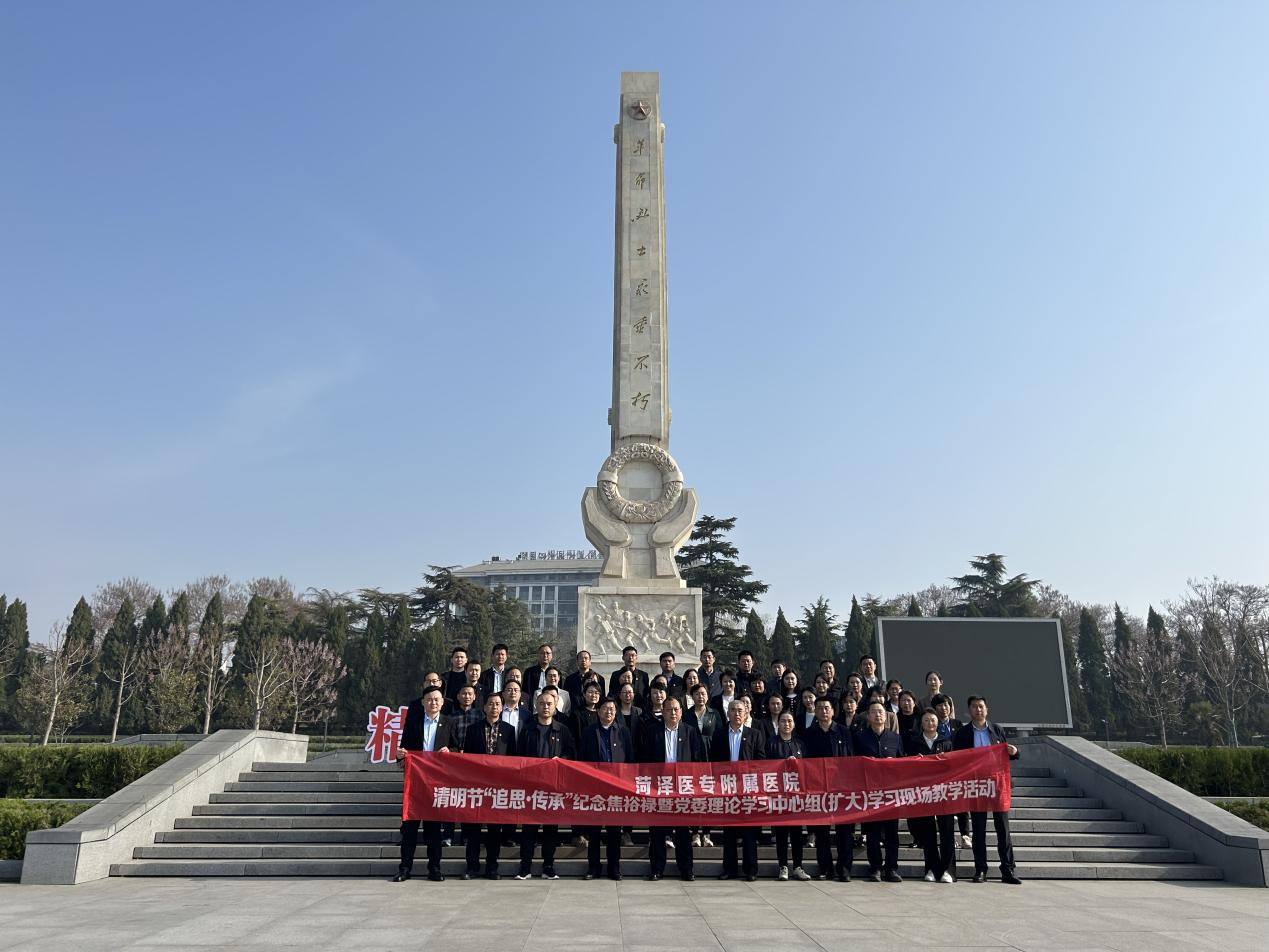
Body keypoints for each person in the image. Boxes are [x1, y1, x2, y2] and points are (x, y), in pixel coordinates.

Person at [954, 696, 1022, 885]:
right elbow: (957, 758)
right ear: (969, 711)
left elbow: (1009, 754)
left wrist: (1014, 752)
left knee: (1003, 830)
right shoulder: (963, 733)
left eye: (981, 706)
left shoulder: (997, 730)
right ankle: (981, 869)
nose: (978, 710)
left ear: (987, 709)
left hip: (997, 784)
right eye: (974, 707)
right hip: (976, 786)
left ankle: (1008, 869)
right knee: (979, 829)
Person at [392, 685, 453, 883]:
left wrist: (450, 752)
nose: (433, 702)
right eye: (429, 699)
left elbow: (459, 749)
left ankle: (434, 869)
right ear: (422, 703)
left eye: (437, 699)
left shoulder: (449, 723)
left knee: (434, 831)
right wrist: (399, 755)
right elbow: (402, 752)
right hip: (416, 783)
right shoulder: (413, 723)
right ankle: (404, 869)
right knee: (409, 830)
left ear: (442, 703)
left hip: (437, 784)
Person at [515, 688, 576, 880]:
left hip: (553, 787)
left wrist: (561, 759)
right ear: (536, 706)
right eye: (542, 703)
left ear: (555, 707)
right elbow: (519, 756)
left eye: (549, 704)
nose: (545, 707)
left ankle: (548, 866)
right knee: (528, 830)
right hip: (531, 786)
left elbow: (571, 753)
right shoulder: (527, 729)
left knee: (551, 829)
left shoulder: (562, 730)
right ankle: (525, 867)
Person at [643, 697, 704, 881]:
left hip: (682, 787)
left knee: (683, 831)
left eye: (676, 709)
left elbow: (698, 759)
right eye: (669, 709)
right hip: (659, 787)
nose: (673, 713)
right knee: (657, 831)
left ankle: (686, 869)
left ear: (681, 711)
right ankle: (657, 869)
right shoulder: (652, 731)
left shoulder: (690, 731)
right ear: (662, 710)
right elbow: (645, 760)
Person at [461, 692, 516, 880]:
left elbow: (513, 759)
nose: (494, 707)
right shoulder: (473, 729)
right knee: (474, 830)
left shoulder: (509, 730)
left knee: (494, 830)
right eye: (490, 704)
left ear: (502, 707)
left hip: (499, 787)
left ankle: (492, 867)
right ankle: (472, 866)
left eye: (498, 704)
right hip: (477, 786)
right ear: (484, 707)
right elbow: (467, 759)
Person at [579, 698, 634, 880]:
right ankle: (593, 867)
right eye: (605, 708)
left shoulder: (623, 732)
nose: (609, 712)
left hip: (616, 788)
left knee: (613, 832)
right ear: (598, 711)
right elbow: (582, 757)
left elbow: (630, 759)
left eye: (612, 709)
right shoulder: (589, 732)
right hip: (594, 787)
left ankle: (614, 867)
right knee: (594, 832)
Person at [709, 699, 762, 881]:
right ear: (728, 713)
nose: (736, 713)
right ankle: (729, 869)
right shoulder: (719, 734)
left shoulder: (754, 734)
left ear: (746, 713)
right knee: (729, 832)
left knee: (749, 833)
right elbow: (714, 761)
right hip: (727, 788)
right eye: (733, 710)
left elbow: (761, 761)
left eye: (740, 710)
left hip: (748, 789)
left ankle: (751, 870)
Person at [803, 696, 853, 881]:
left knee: (844, 832)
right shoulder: (808, 734)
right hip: (818, 789)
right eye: (820, 708)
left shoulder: (844, 732)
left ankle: (844, 869)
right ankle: (825, 868)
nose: (824, 711)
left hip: (842, 788)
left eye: (827, 708)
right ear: (815, 711)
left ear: (833, 711)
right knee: (821, 832)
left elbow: (851, 758)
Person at [854, 699, 904, 882]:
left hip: (891, 793)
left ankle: (891, 868)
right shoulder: (860, 737)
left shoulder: (895, 737)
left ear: (887, 716)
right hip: (871, 792)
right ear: (868, 716)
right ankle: (875, 867)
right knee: (873, 833)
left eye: (880, 712)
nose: (877, 715)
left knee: (892, 834)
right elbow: (855, 763)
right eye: (873, 712)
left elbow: (903, 762)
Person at [905, 709, 956, 883]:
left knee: (947, 831)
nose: (930, 723)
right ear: (922, 723)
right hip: (924, 793)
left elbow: (954, 767)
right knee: (928, 833)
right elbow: (908, 768)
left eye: (933, 720)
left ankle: (948, 870)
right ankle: (931, 869)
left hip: (944, 793)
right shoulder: (914, 743)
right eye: (926, 720)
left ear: (938, 723)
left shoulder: (946, 743)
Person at [767, 711, 810, 881]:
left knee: (797, 833)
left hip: (796, 796)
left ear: (793, 724)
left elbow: (808, 768)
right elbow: (765, 767)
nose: (786, 724)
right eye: (783, 721)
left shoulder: (800, 744)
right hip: (778, 795)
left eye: (789, 721)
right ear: (778, 724)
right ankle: (783, 866)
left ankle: (798, 866)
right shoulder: (771, 743)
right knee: (782, 833)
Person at [683, 682, 720, 849]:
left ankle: (707, 833)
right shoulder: (686, 715)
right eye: (697, 694)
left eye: (703, 693)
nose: (700, 696)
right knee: (693, 799)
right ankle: (695, 833)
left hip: (710, 760)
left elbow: (720, 736)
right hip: (692, 761)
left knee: (707, 799)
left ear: (707, 695)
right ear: (692, 696)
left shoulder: (714, 714)